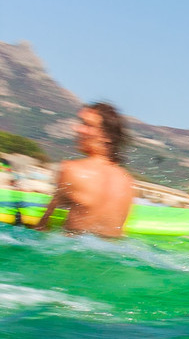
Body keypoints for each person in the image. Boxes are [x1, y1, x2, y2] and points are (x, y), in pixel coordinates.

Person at [31, 102, 137, 238]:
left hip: (72, 251)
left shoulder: (71, 169)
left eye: (87, 125)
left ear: (107, 136)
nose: (77, 128)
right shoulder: (127, 181)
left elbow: (43, 226)